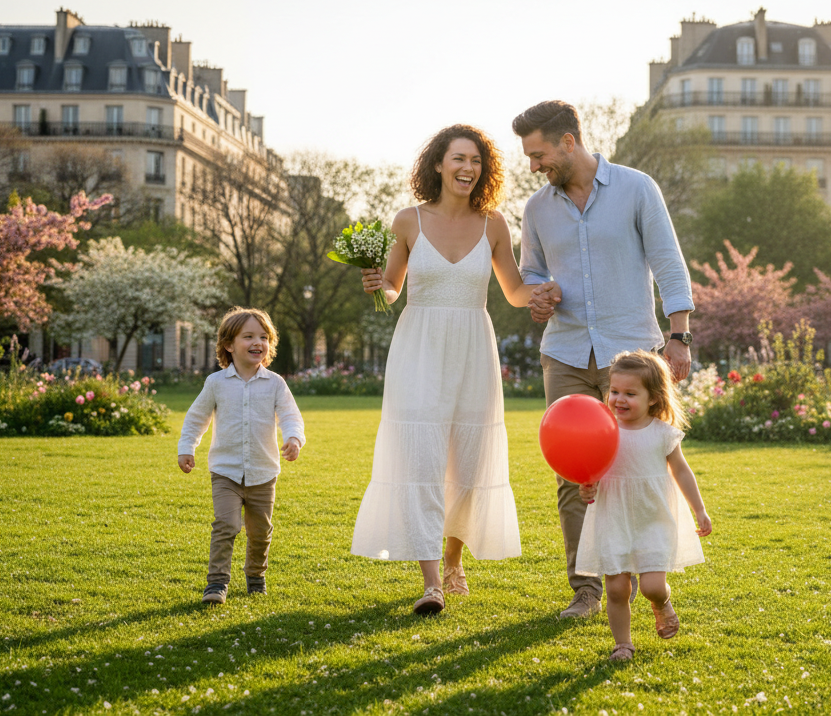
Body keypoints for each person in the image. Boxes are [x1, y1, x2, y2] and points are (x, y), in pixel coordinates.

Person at [352, 124, 558, 615]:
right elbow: (393, 290)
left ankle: (453, 560)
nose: (468, 169)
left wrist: (547, 291)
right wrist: (376, 284)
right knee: (421, 460)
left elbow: (513, 291)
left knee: (467, 462)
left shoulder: (493, 225)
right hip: (418, 348)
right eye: (458, 159)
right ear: (439, 165)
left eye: (476, 161)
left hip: (472, 348)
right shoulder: (408, 221)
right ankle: (431, 584)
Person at [512, 100, 696, 618]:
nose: (534, 166)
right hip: (565, 351)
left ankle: (642, 574)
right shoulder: (536, 209)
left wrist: (679, 335)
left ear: (569, 141)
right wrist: (539, 295)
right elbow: (530, 274)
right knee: (575, 476)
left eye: (539, 153)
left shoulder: (637, 188)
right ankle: (587, 589)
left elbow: (668, 262)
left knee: (638, 468)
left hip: (633, 353)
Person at [575, 350, 711, 661]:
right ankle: (623, 644)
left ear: (653, 398)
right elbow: (590, 472)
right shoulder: (602, 429)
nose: (619, 400)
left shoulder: (663, 433)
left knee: (651, 586)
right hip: (613, 517)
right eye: (615, 391)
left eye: (630, 393)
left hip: (653, 518)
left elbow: (681, 472)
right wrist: (587, 488)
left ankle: (661, 603)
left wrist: (699, 509)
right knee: (617, 589)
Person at [178, 307, 306, 605]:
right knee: (227, 525)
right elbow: (197, 417)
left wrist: (294, 438)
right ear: (228, 344)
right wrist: (187, 447)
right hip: (226, 472)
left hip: (263, 472)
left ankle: (256, 576)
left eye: (263, 337)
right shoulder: (216, 383)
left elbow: (290, 415)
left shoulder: (275, 383)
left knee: (260, 531)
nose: (257, 342)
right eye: (248, 336)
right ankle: (217, 583)